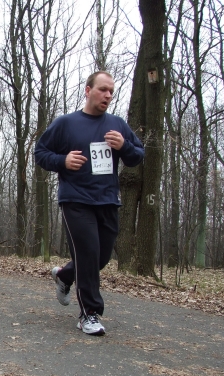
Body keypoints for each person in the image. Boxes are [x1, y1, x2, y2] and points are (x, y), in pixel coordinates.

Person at [34, 71, 144, 336]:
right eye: (103, 89)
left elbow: (137, 156)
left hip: (107, 200)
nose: (108, 95)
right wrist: (62, 161)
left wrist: (124, 146)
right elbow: (40, 152)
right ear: (88, 90)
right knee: (88, 253)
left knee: (100, 257)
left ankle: (65, 275)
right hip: (76, 199)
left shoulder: (117, 124)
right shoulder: (66, 123)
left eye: (111, 92)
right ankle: (89, 314)